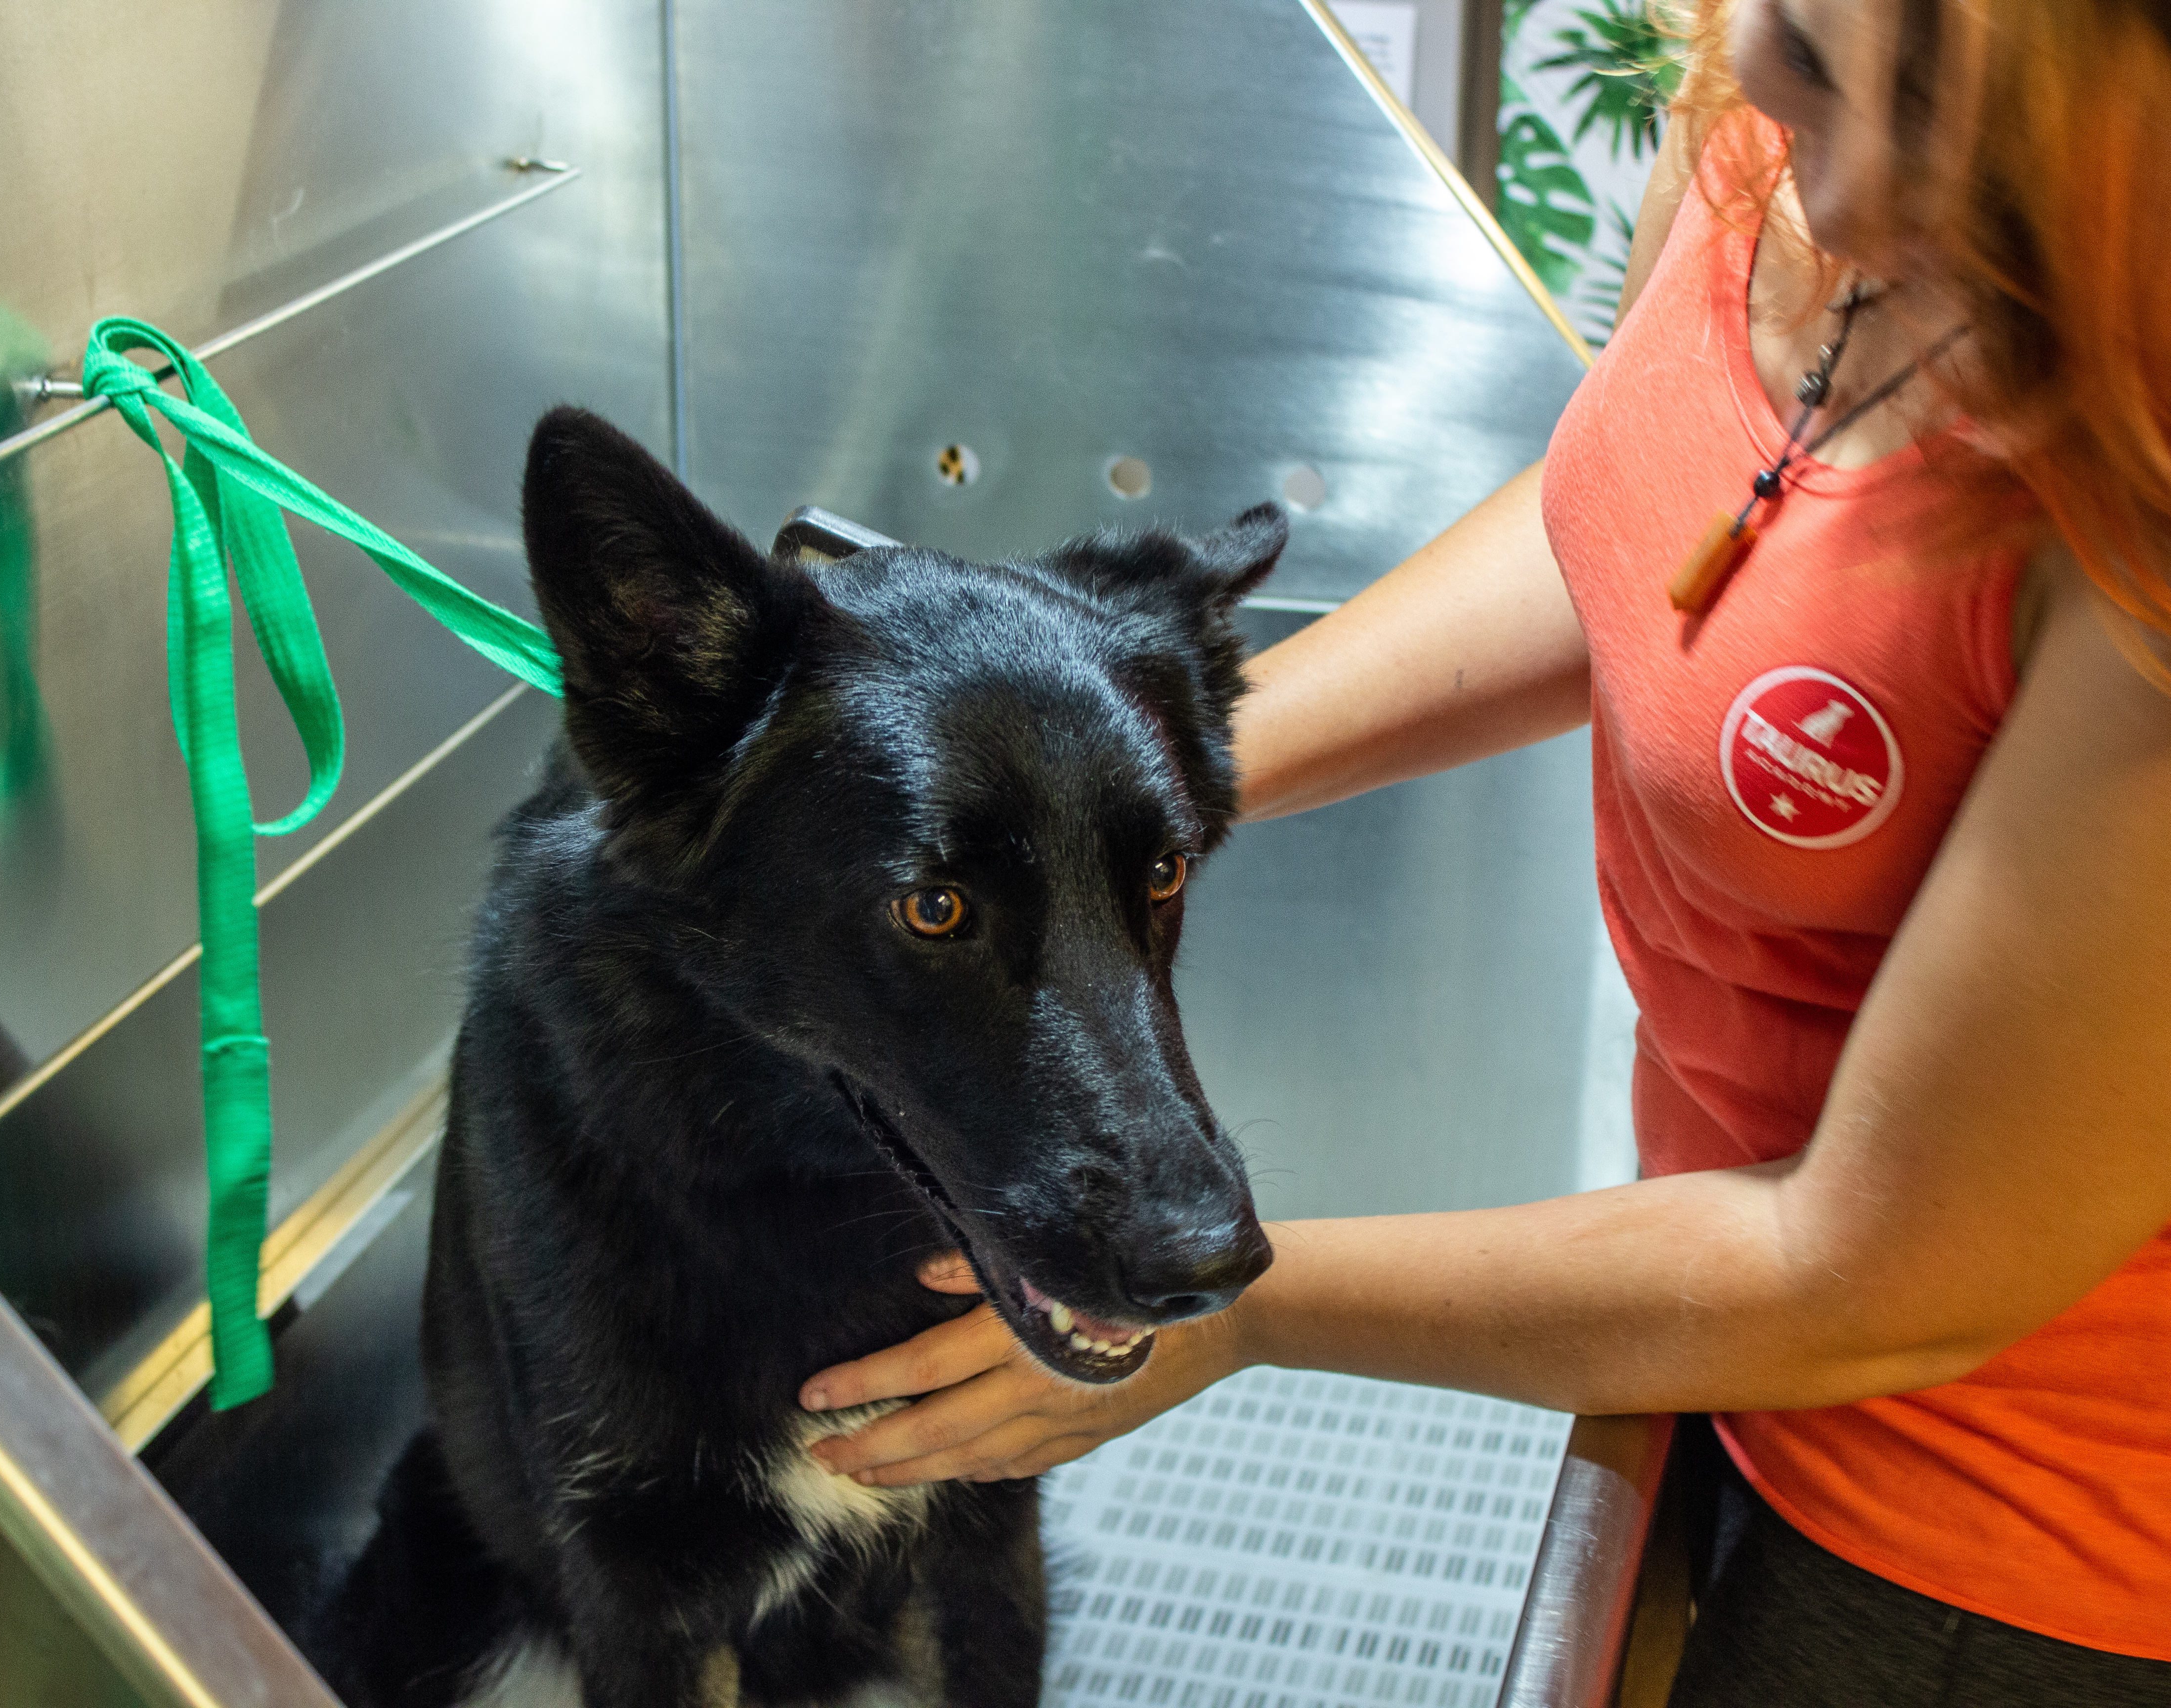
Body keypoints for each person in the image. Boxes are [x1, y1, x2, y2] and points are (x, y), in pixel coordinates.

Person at [794, 1, 2171, 1699]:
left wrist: (1242, 1311)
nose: (1860, 198)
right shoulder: (1751, 144)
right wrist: (1140, 780)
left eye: (1975, 152)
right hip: (1729, 1332)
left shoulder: (2142, 531)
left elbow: (1869, 1269)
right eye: (1813, 49)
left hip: (1992, 1543)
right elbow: (1638, 529)